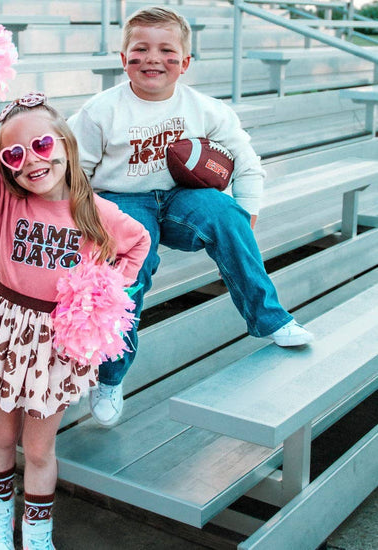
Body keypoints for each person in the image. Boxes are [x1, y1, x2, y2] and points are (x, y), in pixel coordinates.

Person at [0, 88, 150, 550]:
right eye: (14, 154)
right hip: (4, 332)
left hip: (57, 341)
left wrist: (104, 291)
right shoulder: (3, 203)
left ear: (66, 144)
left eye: (42, 145)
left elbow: (139, 243)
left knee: (41, 448)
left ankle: (37, 531)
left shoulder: (96, 213)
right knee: (2, 435)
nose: (31, 160)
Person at [68, 6, 314, 428]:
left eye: (166, 50)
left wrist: (246, 213)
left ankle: (271, 318)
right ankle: (108, 376)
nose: (152, 58)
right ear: (122, 57)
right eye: (140, 48)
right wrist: (92, 225)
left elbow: (246, 161)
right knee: (134, 266)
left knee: (226, 213)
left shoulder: (205, 108)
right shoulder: (99, 111)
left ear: (184, 63)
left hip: (182, 197)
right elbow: (75, 175)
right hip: (121, 199)